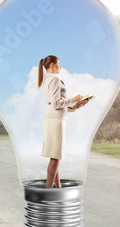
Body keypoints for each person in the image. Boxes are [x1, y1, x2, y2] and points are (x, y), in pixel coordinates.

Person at [37, 55, 88, 188]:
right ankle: (48, 190)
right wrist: (74, 99)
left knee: (55, 156)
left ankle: (58, 187)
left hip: (54, 118)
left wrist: (74, 107)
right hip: (56, 119)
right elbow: (56, 103)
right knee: (55, 157)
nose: (60, 66)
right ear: (52, 65)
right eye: (59, 64)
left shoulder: (47, 80)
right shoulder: (53, 79)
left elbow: (57, 105)